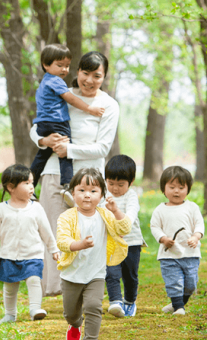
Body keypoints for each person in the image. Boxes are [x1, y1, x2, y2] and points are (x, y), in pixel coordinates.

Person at [30, 51, 120, 297]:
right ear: (76, 71)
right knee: (56, 231)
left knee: (87, 233)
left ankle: (87, 289)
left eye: (97, 75)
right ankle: (56, 290)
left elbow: (103, 147)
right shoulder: (61, 92)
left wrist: (69, 149)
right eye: (85, 73)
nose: (90, 80)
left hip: (89, 181)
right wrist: (43, 140)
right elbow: (37, 127)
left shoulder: (109, 105)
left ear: (104, 77)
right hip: (53, 173)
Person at [56, 168, 131, 340]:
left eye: (93, 191)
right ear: (72, 193)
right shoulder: (67, 217)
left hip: (96, 273)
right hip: (71, 274)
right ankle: (75, 325)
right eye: (81, 190)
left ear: (102, 195)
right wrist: (79, 244)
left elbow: (125, 227)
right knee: (70, 313)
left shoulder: (105, 214)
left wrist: (116, 211)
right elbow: (62, 241)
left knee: (93, 306)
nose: (87, 196)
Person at [0, 164, 60, 324]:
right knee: (10, 288)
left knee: (34, 280)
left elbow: (46, 231)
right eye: (26, 183)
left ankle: (35, 309)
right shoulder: (0, 210)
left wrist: (53, 249)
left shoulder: (36, 208)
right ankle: (10, 314)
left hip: (33, 255)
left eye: (32, 182)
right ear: (11, 187)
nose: (31, 187)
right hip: (9, 256)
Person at [30, 44, 105, 189]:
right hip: (57, 122)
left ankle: (30, 183)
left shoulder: (44, 82)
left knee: (41, 156)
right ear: (46, 65)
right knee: (65, 150)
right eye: (60, 65)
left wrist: (44, 139)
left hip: (43, 123)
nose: (64, 69)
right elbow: (71, 99)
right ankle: (67, 184)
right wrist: (90, 108)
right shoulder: (56, 81)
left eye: (67, 66)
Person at [150, 166, 204, 316]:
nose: (176, 191)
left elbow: (199, 225)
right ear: (163, 189)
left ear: (188, 189)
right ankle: (179, 307)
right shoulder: (160, 210)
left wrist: (196, 236)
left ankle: (176, 304)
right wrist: (163, 239)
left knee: (191, 284)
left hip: (190, 254)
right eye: (172, 187)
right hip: (169, 256)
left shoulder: (192, 207)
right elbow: (154, 227)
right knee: (174, 283)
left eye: (181, 187)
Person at [104, 155, 145, 318]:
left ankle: (129, 301)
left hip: (131, 243)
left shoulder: (131, 196)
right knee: (111, 272)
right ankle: (115, 301)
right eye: (111, 183)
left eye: (120, 184)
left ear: (131, 181)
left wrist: (117, 216)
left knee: (130, 275)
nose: (115, 188)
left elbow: (130, 217)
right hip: (112, 243)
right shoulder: (103, 195)